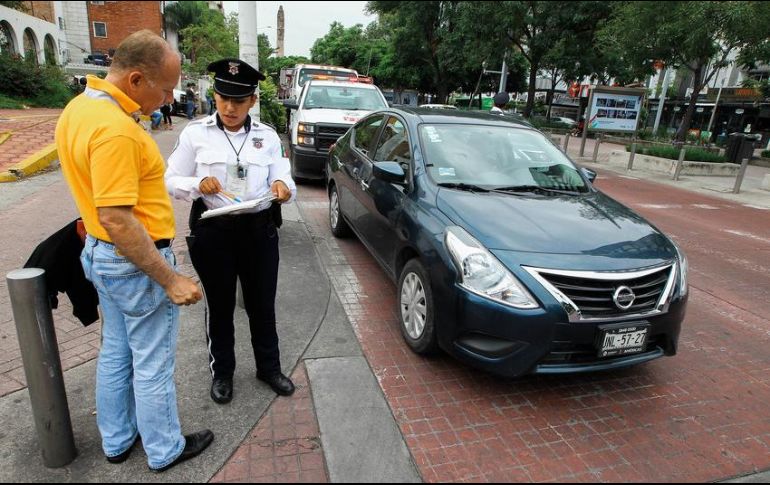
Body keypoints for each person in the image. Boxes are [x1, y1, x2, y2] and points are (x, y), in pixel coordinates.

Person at [54, 29, 214, 472]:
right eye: (165, 89)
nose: (168, 99)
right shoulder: (116, 131)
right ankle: (164, 449)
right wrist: (170, 277)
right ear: (137, 80)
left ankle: (118, 439)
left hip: (103, 257)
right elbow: (118, 217)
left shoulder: (79, 109)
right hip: (135, 262)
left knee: (117, 351)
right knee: (152, 363)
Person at [165, 58, 297, 404]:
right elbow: (170, 179)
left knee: (262, 305)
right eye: (223, 98)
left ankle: (269, 368)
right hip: (216, 232)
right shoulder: (196, 133)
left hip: (259, 231)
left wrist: (283, 186)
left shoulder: (266, 136)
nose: (228, 107)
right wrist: (197, 183)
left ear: (252, 100)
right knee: (220, 307)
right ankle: (222, 373)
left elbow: (283, 175)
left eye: (238, 100)